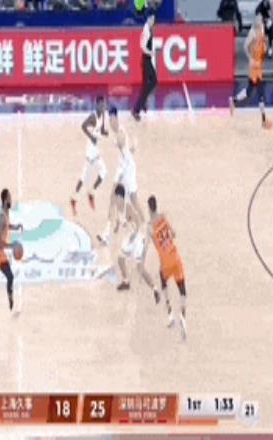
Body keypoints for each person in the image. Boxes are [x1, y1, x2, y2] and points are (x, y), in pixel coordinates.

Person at [97, 106, 145, 245]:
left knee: (134, 200)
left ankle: (141, 226)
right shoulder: (118, 132)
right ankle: (107, 233)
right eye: (109, 119)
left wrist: (126, 146)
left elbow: (124, 149)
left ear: (115, 118)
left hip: (127, 170)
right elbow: (127, 150)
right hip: (122, 169)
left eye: (112, 119)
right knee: (112, 198)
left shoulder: (120, 134)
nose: (110, 122)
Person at [112, 184, 161, 307]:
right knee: (120, 259)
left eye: (116, 197)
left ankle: (155, 289)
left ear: (120, 197)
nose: (115, 199)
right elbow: (118, 220)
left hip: (137, 238)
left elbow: (138, 222)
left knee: (140, 268)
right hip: (129, 238)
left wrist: (134, 235)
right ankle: (126, 281)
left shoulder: (127, 208)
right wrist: (116, 227)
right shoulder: (118, 208)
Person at [147, 195, 187, 338]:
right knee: (182, 290)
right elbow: (174, 234)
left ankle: (170, 314)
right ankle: (183, 316)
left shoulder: (149, 227)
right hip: (175, 257)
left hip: (165, 261)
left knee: (164, 285)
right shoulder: (164, 217)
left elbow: (154, 244)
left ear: (149, 208)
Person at [229, 14, 273, 130]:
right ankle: (264, 120)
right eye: (259, 21)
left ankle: (234, 100)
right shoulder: (253, 32)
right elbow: (245, 46)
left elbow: (264, 48)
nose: (261, 23)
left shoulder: (262, 31)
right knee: (260, 93)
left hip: (259, 66)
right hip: (254, 67)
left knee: (249, 91)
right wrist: (251, 59)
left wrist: (266, 47)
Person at [70, 96, 108, 215]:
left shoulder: (103, 115)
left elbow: (101, 129)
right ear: (96, 105)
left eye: (103, 105)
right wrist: (91, 137)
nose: (102, 107)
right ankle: (74, 198)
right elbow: (83, 126)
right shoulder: (92, 116)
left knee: (103, 171)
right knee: (84, 177)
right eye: (100, 105)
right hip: (90, 149)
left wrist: (105, 133)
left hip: (96, 150)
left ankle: (91, 192)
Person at [132, 10, 157, 121]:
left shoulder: (148, 28)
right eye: (152, 19)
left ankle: (143, 104)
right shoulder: (146, 30)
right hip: (146, 60)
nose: (154, 21)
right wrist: (150, 52)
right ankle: (136, 110)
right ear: (149, 18)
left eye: (154, 19)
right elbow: (142, 46)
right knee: (150, 83)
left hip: (147, 60)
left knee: (148, 84)